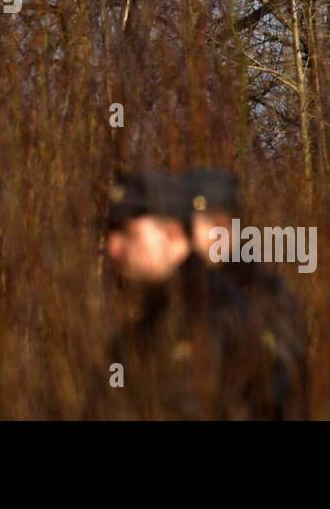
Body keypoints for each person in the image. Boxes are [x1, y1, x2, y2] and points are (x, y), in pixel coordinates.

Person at [99, 169, 275, 419]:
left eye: (128, 234)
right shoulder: (154, 311)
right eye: (109, 233)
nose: (112, 248)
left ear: (172, 233)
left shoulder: (205, 310)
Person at [183, 168, 310, 420]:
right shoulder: (188, 288)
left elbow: (282, 386)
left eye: (188, 228)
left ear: (220, 226)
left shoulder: (265, 294)